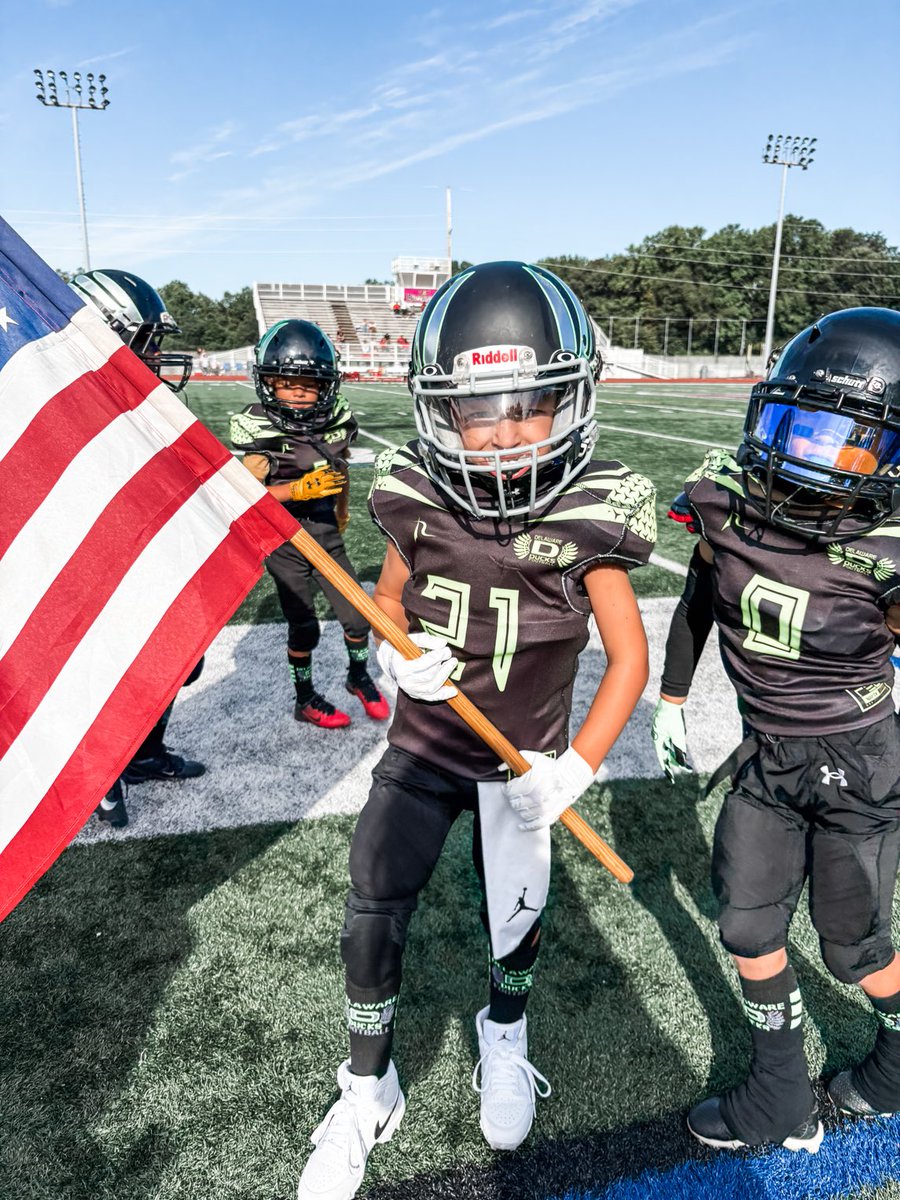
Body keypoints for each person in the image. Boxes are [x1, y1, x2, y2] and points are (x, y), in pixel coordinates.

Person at [296, 260, 657, 1200]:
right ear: (437, 413)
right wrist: (392, 653)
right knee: (372, 898)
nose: (501, 437)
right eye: (477, 412)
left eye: (527, 407)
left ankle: (506, 1034)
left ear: (570, 401)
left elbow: (629, 660)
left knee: (516, 922)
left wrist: (575, 768)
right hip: (424, 747)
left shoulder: (593, 510)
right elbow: (386, 596)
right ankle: (367, 1086)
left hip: (521, 765)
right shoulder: (415, 491)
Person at [650, 307, 900, 1153]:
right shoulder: (724, 498)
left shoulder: (888, 547)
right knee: (749, 926)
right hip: (765, 754)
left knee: (853, 949)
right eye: (801, 425)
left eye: (847, 439)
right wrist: (674, 695)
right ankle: (780, 1091)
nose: (813, 455)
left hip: (858, 762)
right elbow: (696, 598)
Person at [68, 269, 204, 828]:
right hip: (85, 560)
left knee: (177, 654)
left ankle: (144, 753)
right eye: (147, 342)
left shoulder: (123, 398)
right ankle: (94, 773)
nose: (157, 355)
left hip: (138, 546)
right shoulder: (67, 404)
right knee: (97, 664)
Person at [230, 319, 388, 729]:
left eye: (309, 382)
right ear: (269, 383)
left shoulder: (335, 421)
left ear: (327, 384)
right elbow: (246, 497)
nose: (299, 390)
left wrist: (340, 509)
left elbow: (341, 467)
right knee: (305, 628)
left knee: (357, 617)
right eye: (286, 382)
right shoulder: (260, 428)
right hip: (284, 541)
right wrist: (295, 491)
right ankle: (305, 699)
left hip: (323, 531)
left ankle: (357, 677)